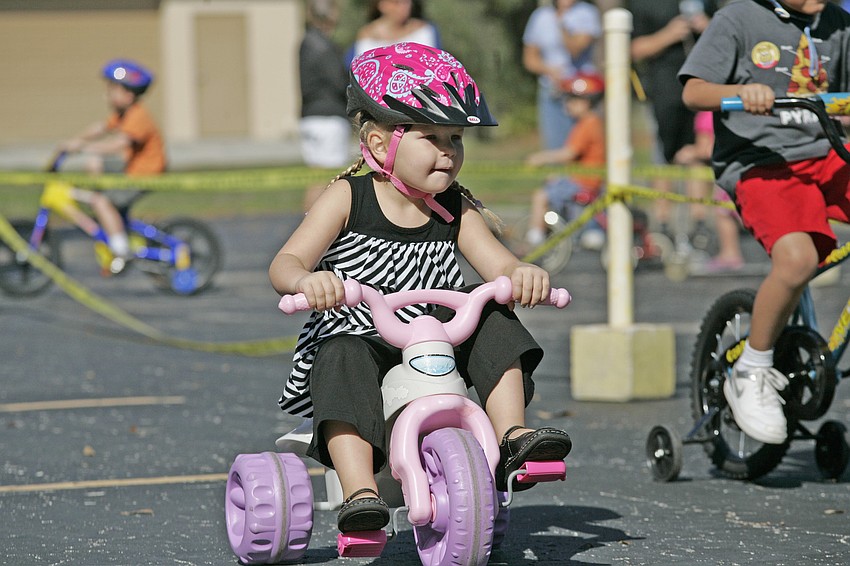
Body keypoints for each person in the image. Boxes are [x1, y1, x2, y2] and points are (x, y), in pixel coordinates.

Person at [269, 42, 572, 534]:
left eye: (455, 138)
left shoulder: (454, 206)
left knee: (495, 315)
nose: (448, 151)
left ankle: (514, 434)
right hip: (365, 336)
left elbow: (500, 265)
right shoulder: (348, 196)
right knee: (340, 353)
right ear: (377, 140)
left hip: (437, 340)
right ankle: (359, 492)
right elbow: (286, 262)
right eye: (431, 137)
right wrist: (308, 280)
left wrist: (521, 275)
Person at [679, 0, 850, 445]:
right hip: (762, 162)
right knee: (797, 259)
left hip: (827, 153)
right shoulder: (738, 19)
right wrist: (737, 92)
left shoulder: (835, 22)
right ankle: (751, 368)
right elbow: (694, 91)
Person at [56, 59, 166, 274]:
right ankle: (109, 210)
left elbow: (120, 143)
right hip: (131, 168)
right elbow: (100, 128)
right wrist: (73, 142)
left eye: (113, 89)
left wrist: (84, 147)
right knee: (95, 164)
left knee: (100, 201)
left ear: (129, 94)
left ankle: (120, 249)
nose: (107, 95)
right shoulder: (123, 115)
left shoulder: (138, 117)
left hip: (143, 175)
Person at [630, 0, 717, 243]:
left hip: (700, 89)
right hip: (661, 93)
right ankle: (662, 222)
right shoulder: (644, 5)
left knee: (698, 155)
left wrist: (707, 27)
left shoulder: (706, 2)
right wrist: (668, 35)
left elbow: (727, 40)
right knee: (662, 158)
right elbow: (633, 49)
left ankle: (699, 223)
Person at [525, 71, 606, 250]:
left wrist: (541, 158)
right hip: (586, 179)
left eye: (572, 100)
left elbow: (569, 153)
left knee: (541, 196)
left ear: (586, 102)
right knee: (553, 181)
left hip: (582, 182)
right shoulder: (593, 122)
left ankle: (535, 237)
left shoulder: (587, 124)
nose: (567, 105)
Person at [523, 0, 602, 150]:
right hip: (552, 90)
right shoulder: (540, 16)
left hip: (581, 96)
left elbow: (575, 49)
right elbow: (529, 59)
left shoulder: (587, 13)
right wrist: (548, 70)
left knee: (579, 149)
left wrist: (561, 23)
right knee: (555, 147)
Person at [673, 110, 746, 272]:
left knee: (724, 213)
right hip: (743, 169)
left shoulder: (707, 115)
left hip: (731, 175)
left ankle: (730, 254)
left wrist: (689, 153)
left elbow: (707, 148)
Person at [299, 0, 353, 210]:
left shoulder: (306, 43)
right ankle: (314, 233)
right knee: (328, 181)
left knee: (316, 178)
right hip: (328, 120)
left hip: (310, 117)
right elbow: (340, 83)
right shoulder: (325, 47)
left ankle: (310, 230)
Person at [348, 0, 440, 62]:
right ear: (382, 4)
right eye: (396, 2)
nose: (404, 7)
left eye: (406, 2)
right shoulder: (367, 35)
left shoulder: (424, 30)